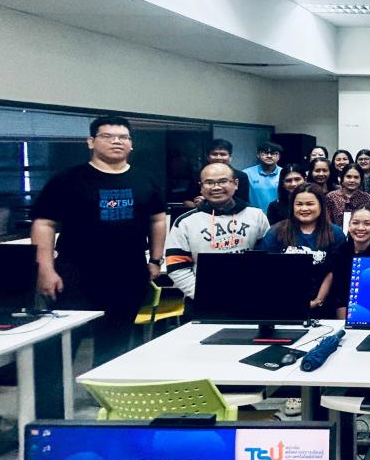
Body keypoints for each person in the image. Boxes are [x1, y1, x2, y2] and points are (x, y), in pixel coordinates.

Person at [31, 115, 166, 366]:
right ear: (91, 142)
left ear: (131, 144)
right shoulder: (68, 179)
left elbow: (157, 219)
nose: (117, 141)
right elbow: (44, 224)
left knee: (115, 344)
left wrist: (156, 259)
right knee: (59, 346)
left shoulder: (145, 179)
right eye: (107, 136)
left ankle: (103, 391)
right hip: (75, 275)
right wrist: (45, 270)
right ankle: (52, 393)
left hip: (128, 273)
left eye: (123, 137)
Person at [165, 163, 270, 299]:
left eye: (223, 181)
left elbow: (267, 258)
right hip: (203, 298)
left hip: (249, 295)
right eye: (209, 183)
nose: (216, 187)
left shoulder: (256, 216)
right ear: (201, 187)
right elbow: (176, 266)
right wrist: (204, 294)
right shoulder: (185, 222)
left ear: (236, 184)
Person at [257, 183, 346, 317]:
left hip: (323, 306)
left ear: (321, 205)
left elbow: (334, 271)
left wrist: (317, 301)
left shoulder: (335, 233)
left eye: (310, 204)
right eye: (299, 204)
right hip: (282, 304)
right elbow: (267, 268)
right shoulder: (276, 231)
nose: (304, 208)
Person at [328, 207, 370, 319]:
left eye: (367, 224)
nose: (360, 228)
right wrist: (344, 323)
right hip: (345, 315)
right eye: (355, 223)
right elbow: (339, 294)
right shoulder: (339, 253)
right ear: (349, 226)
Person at [182, 139, 250, 208]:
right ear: (208, 157)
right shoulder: (198, 175)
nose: (218, 158)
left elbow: (243, 202)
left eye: (223, 154)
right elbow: (187, 201)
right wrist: (199, 205)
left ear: (230, 157)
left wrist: (210, 200)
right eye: (214, 154)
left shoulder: (241, 176)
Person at [242, 141, 283, 214]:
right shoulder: (246, 174)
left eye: (273, 153)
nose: (269, 156)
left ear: (279, 156)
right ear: (258, 155)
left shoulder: (284, 173)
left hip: (279, 216)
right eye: (265, 153)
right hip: (254, 216)